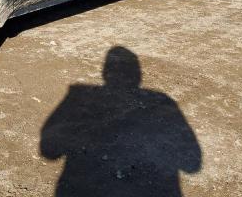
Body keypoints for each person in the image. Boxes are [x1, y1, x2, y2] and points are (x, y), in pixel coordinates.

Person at [40, 46, 201, 196]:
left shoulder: (77, 95)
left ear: (105, 71)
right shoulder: (163, 99)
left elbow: (48, 151)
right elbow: (192, 165)